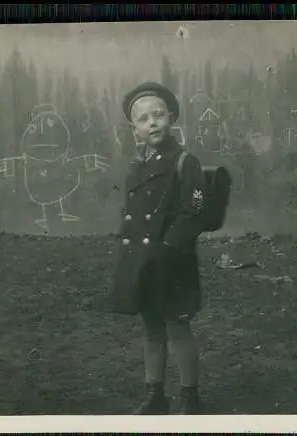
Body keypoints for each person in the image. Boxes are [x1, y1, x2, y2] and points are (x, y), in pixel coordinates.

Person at [109, 81, 206, 415]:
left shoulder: (185, 161)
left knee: (178, 328)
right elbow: (132, 213)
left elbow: (193, 213)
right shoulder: (138, 164)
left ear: (172, 118)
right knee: (151, 328)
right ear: (134, 128)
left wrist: (167, 248)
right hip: (144, 262)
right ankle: (155, 395)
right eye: (143, 119)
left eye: (159, 115)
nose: (152, 123)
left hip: (172, 262)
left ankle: (189, 397)